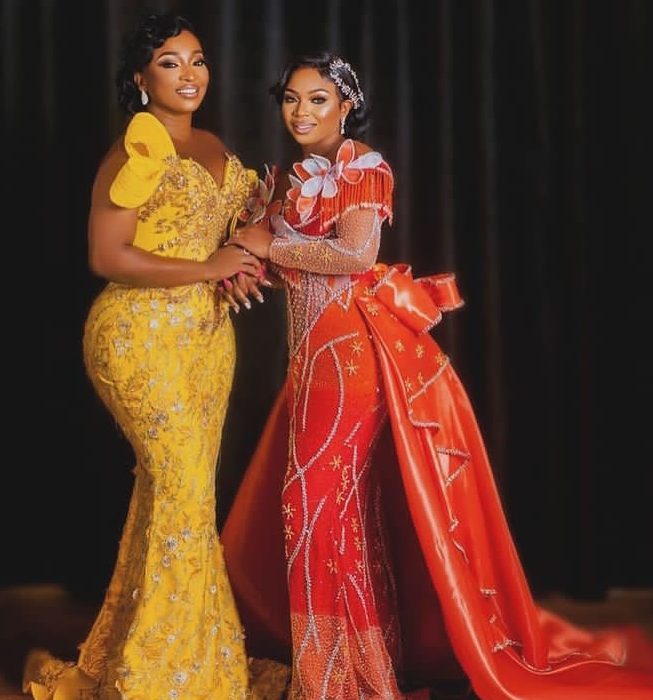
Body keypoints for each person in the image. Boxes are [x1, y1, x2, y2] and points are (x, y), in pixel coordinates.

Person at [220, 51, 653, 699]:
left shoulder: (364, 168)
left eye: (317, 99)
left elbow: (355, 254)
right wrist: (246, 256)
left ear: (345, 106)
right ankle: (351, 670)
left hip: (347, 357)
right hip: (312, 356)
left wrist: (268, 243)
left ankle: (336, 679)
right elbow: (298, 266)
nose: (300, 111)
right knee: (335, 512)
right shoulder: (298, 177)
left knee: (312, 507)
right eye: (290, 98)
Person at [22, 13, 286, 700]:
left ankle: (137, 661)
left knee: (172, 497)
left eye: (197, 59)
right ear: (141, 78)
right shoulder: (134, 149)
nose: (190, 74)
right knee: (180, 491)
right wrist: (209, 268)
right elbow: (107, 255)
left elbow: (240, 227)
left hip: (207, 340)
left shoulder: (212, 144)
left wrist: (244, 252)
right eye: (170, 62)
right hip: (137, 336)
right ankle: (160, 679)